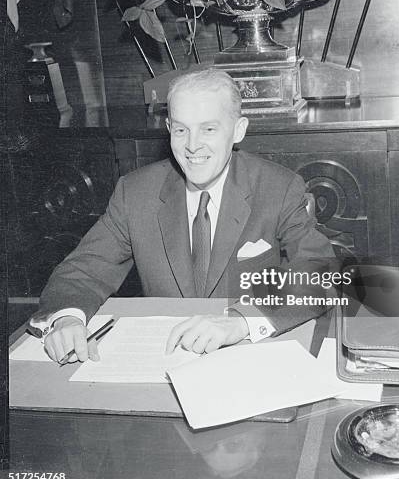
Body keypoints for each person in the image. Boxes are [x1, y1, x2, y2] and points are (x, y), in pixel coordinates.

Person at [30, 69, 335, 363]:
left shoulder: (278, 187)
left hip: (248, 356)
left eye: (209, 129)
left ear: (238, 130)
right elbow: (84, 269)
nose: (192, 145)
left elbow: (321, 272)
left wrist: (243, 320)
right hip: (161, 358)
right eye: (180, 129)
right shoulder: (135, 193)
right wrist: (67, 319)